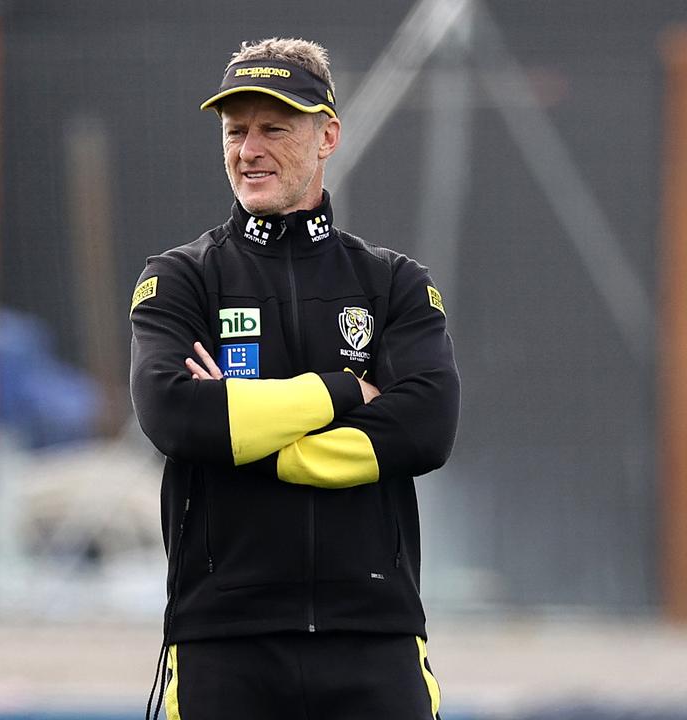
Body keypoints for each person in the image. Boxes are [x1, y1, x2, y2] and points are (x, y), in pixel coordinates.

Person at [129, 37, 459, 719]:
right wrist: (342, 392)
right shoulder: (182, 278)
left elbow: (426, 425)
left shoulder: (391, 283)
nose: (249, 149)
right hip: (224, 638)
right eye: (235, 130)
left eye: (273, 128)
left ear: (327, 134)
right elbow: (173, 414)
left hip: (374, 633)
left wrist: (258, 443)